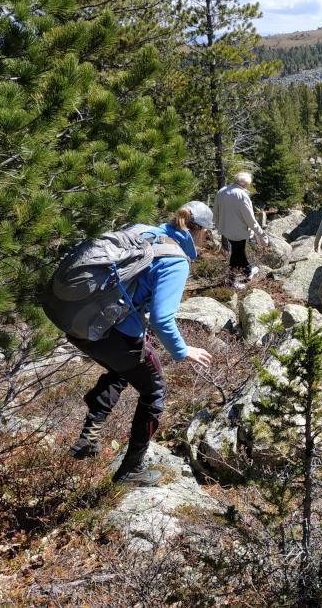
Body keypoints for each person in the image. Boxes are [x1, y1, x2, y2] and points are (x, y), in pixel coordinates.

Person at [67, 202, 214, 486]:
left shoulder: (140, 230)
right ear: (198, 231)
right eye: (207, 234)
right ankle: (131, 469)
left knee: (123, 369)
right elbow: (161, 319)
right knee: (154, 391)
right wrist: (183, 351)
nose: (207, 240)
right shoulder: (175, 260)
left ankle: (89, 434)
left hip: (83, 324)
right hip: (115, 335)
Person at [214, 172, 267, 288]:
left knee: (238, 252)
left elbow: (216, 211)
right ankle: (233, 280)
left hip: (226, 229)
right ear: (245, 184)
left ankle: (246, 272)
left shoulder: (222, 191)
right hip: (239, 231)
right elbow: (250, 219)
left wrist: (218, 226)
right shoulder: (241, 195)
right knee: (237, 253)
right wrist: (261, 234)